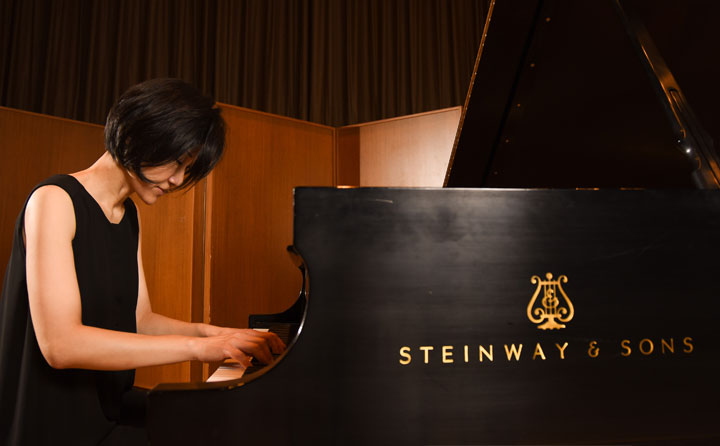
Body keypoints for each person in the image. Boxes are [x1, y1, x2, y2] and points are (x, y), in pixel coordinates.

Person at [0, 78, 285, 445]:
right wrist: (200, 349)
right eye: (177, 163)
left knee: (214, 424)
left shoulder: (127, 214)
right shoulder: (54, 200)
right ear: (135, 136)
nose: (178, 180)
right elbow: (60, 344)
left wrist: (219, 335)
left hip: (108, 404)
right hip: (55, 419)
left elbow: (140, 320)